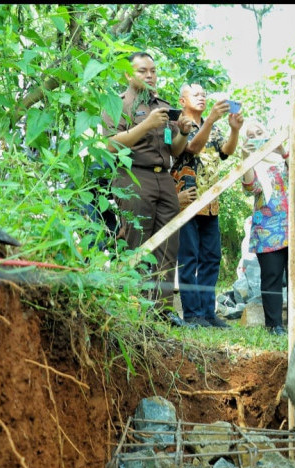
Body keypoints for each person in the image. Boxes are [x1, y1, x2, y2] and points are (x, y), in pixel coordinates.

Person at [103, 51, 198, 328]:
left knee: (169, 244)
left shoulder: (164, 106)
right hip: (134, 178)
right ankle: (134, 308)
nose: (150, 76)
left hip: (164, 179)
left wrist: (181, 131)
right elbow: (111, 145)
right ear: (127, 75)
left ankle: (162, 311)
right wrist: (146, 125)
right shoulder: (117, 104)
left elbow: (175, 150)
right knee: (137, 242)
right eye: (143, 71)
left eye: (153, 71)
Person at [170, 84, 243, 329]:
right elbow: (191, 148)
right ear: (182, 100)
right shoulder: (179, 124)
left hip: (211, 202)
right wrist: (210, 119)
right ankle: (192, 314)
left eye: (204, 95)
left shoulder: (213, 127)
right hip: (188, 200)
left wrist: (234, 130)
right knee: (189, 258)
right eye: (195, 95)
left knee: (211, 258)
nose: (201, 98)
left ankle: (208, 312)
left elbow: (226, 152)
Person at [241, 121, 295, 335]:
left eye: (260, 132)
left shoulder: (285, 157)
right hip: (269, 230)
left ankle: (294, 322)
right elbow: (252, 188)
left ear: (269, 134)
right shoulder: (254, 163)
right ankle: (275, 326)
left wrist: (284, 151)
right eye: (251, 135)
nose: (257, 136)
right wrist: (246, 158)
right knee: (271, 277)